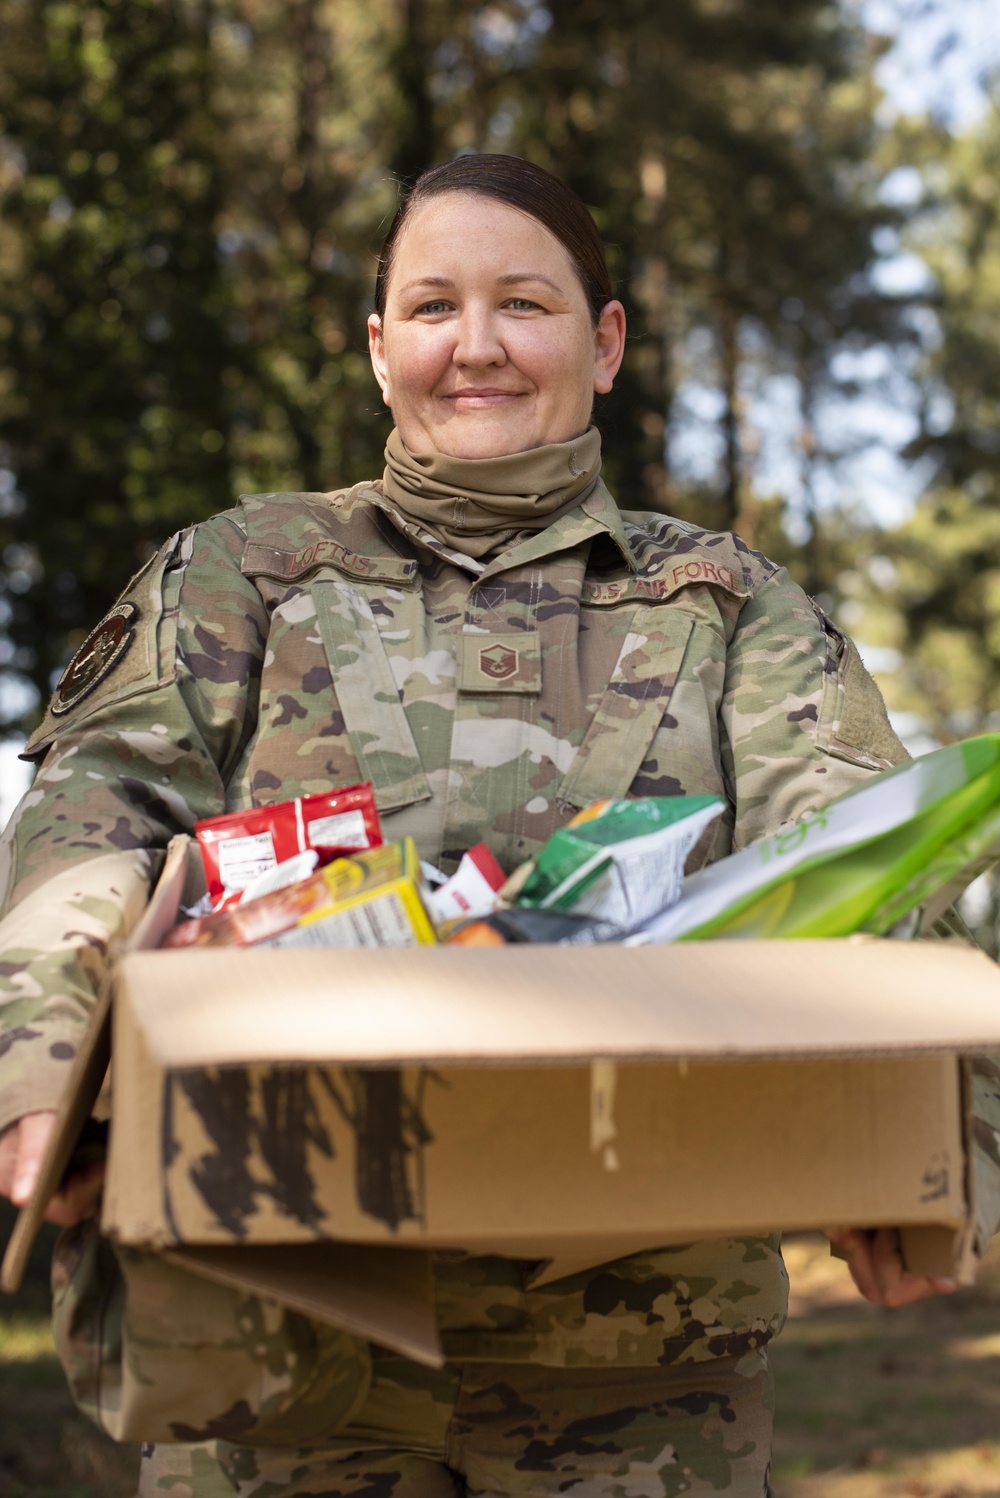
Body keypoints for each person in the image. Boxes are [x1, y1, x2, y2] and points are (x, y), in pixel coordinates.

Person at [0, 154, 978, 1498]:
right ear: (377, 344)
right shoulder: (239, 575)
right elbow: (97, 817)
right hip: (275, 1372)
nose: (475, 347)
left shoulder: (727, 604)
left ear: (607, 337)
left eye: (523, 302)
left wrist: (924, 1144)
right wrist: (42, 1073)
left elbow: (860, 866)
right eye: (431, 306)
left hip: (643, 1386)